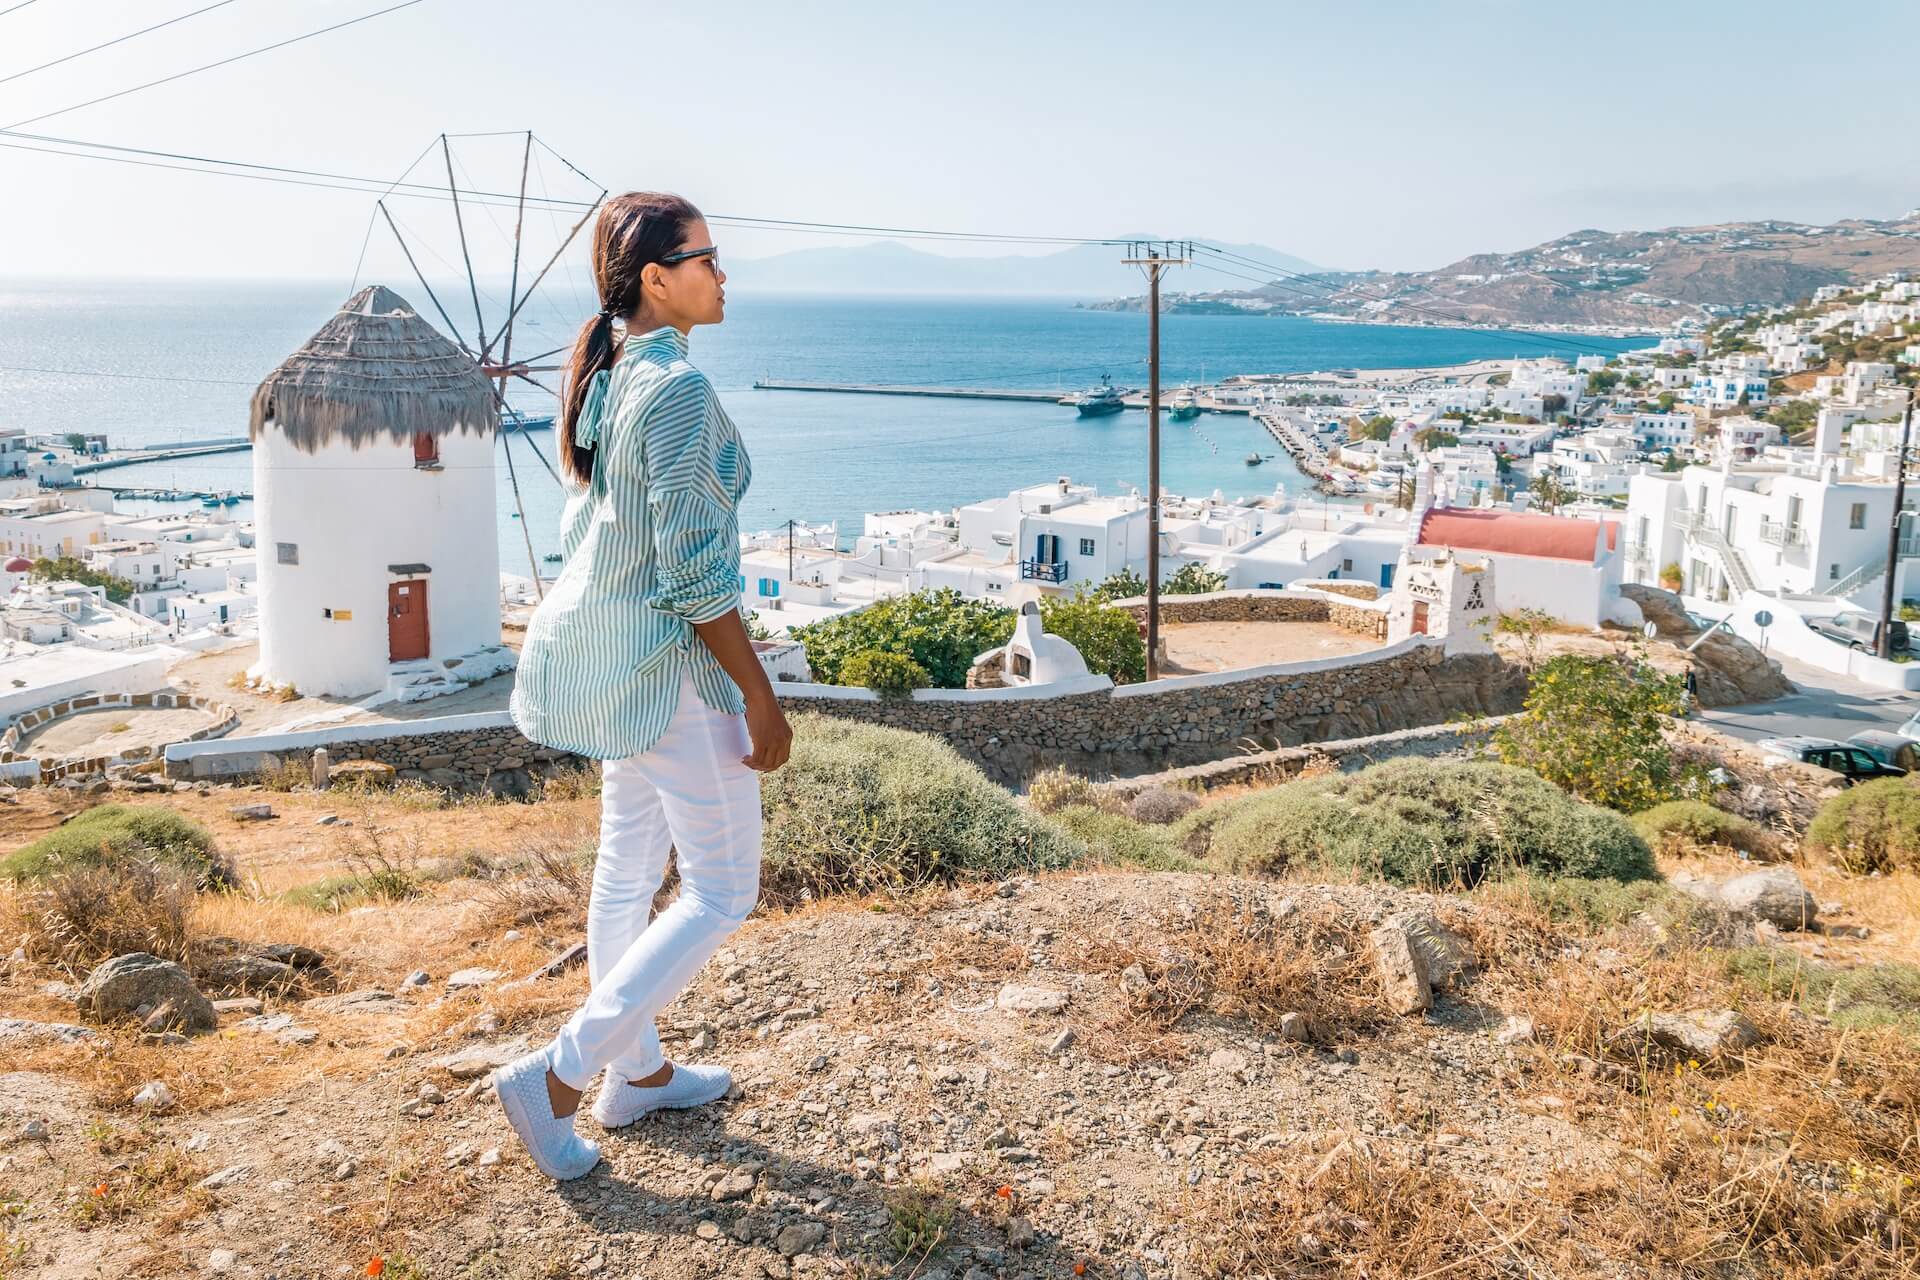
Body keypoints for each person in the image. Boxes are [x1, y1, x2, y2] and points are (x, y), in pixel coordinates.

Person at [496, 192, 793, 1181]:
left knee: (627, 869)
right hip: (674, 675)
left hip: (619, 668)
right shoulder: (673, 392)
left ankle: (644, 1073)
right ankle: (557, 1078)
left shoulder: (611, 374)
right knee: (721, 888)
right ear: (659, 279)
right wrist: (759, 692)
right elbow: (691, 571)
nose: (723, 274)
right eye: (707, 257)